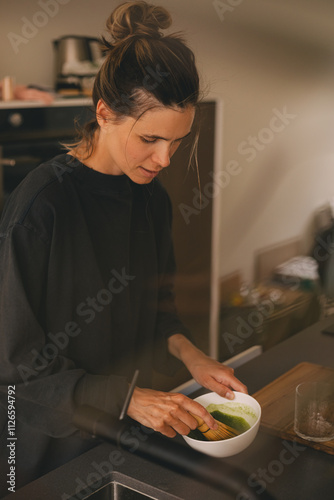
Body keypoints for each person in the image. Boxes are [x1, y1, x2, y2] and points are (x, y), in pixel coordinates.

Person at [0, 1, 247, 494]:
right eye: (151, 139)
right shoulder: (42, 207)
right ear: (104, 113)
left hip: (119, 436)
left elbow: (159, 313)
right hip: (41, 453)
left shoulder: (151, 200)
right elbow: (17, 377)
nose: (164, 159)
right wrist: (130, 398)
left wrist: (194, 357)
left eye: (177, 142)